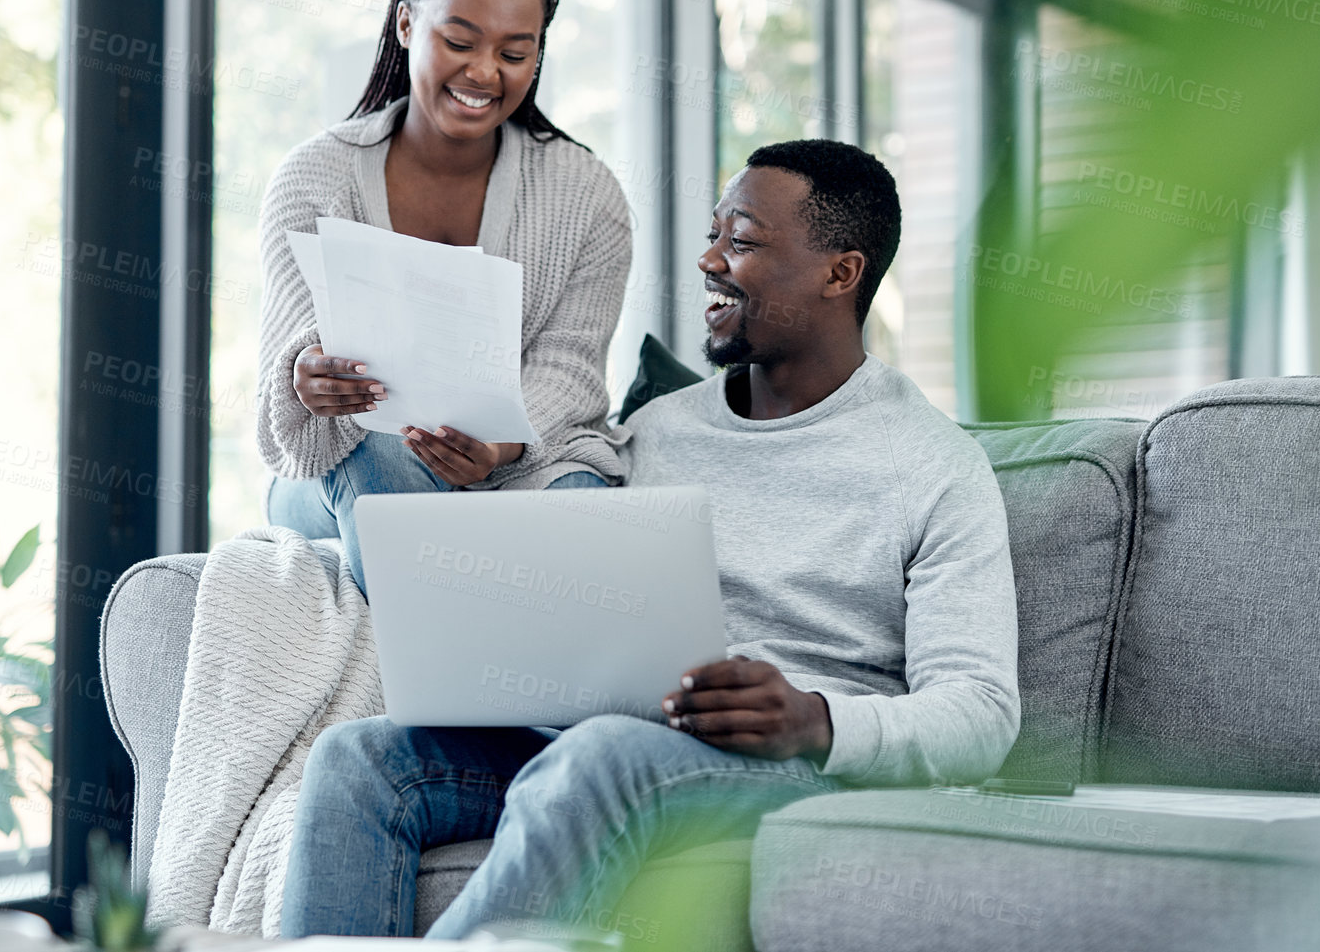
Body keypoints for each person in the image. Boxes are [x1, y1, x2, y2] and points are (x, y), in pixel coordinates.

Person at [278, 139, 1021, 941]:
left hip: (793, 769)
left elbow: (980, 714)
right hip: (615, 735)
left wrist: (814, 719)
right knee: (359, 761)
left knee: (600, 757)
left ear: (840, 273)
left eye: (740, 240)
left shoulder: (936, 465)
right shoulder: (657, 430)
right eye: (712, 233)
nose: (708, 260)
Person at [256, 0, 631, 594]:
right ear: (405, 24)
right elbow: (291, 353)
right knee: (386, 458)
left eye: (515, 53)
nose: (484, 72)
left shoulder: (589, 196)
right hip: (344, 456)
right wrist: (310, 376)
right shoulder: (314, 178)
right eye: (459, 40)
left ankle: (532, 693)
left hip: (523, 458)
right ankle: (441, 692)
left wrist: (500, 442)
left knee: (580, 504)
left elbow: (570, 366)